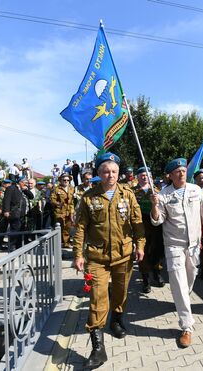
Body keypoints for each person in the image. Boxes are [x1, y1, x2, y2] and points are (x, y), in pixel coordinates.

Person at [73, 152, 145, 368]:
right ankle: (97, 347)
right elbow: (81, 228)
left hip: (123, 256)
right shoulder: (88, 197)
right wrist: (78, 254)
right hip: (97, 257)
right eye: (105, 171)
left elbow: (138, 223)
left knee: (121, 292)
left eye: (114, 171)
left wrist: (140, 245)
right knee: (97, 297)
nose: (110, 174)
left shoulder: (128, 194)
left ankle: (116, 319)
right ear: (98, 173)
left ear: (118, 173)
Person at [150, 158, 203, 348]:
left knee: (190, 279)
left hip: (194, 245)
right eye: (177, 171)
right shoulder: (163, 195)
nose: (181, 173)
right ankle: (187, 326)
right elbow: (157, 221)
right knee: (178, 283)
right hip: (174, 246)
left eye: (183, 170)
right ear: (170, 176)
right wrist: (155, 204)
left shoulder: (196, 190)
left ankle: (182, 301)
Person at [132, 166, 165, 293]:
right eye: (142, 175)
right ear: (138, 177)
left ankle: (156, 273)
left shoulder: (157, 190)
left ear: (150, 177)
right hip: (141, 224)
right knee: (143, 252)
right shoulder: (133, 192)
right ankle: (145, 279)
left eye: (147, 175)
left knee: (157, 250)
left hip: (156, 225)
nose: (144, 177)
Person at [2, 176, 34, 250]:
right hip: (14, 213)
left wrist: (26, 190)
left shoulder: (24, 189)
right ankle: (12, 246)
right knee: (15, 230)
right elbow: (6, 200)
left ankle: (19, 246)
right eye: (25, 183)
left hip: (23, 214)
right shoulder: (11, 188)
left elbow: (31, 197)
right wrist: (6, 211)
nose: (26, 184)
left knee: (21, 230)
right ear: (20, 182)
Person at [51, 173, 75, 248]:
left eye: (68, 180)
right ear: (60, 180)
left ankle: (66, 243)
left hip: (69, 211)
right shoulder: (56, 189)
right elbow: (52, 200)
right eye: (64, 180)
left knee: (67, 228)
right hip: (60, 211)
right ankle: (59, 243)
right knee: (59, 228)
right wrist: (58, 204)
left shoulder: (72, 188)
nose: (66, 181)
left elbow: (74, 200)